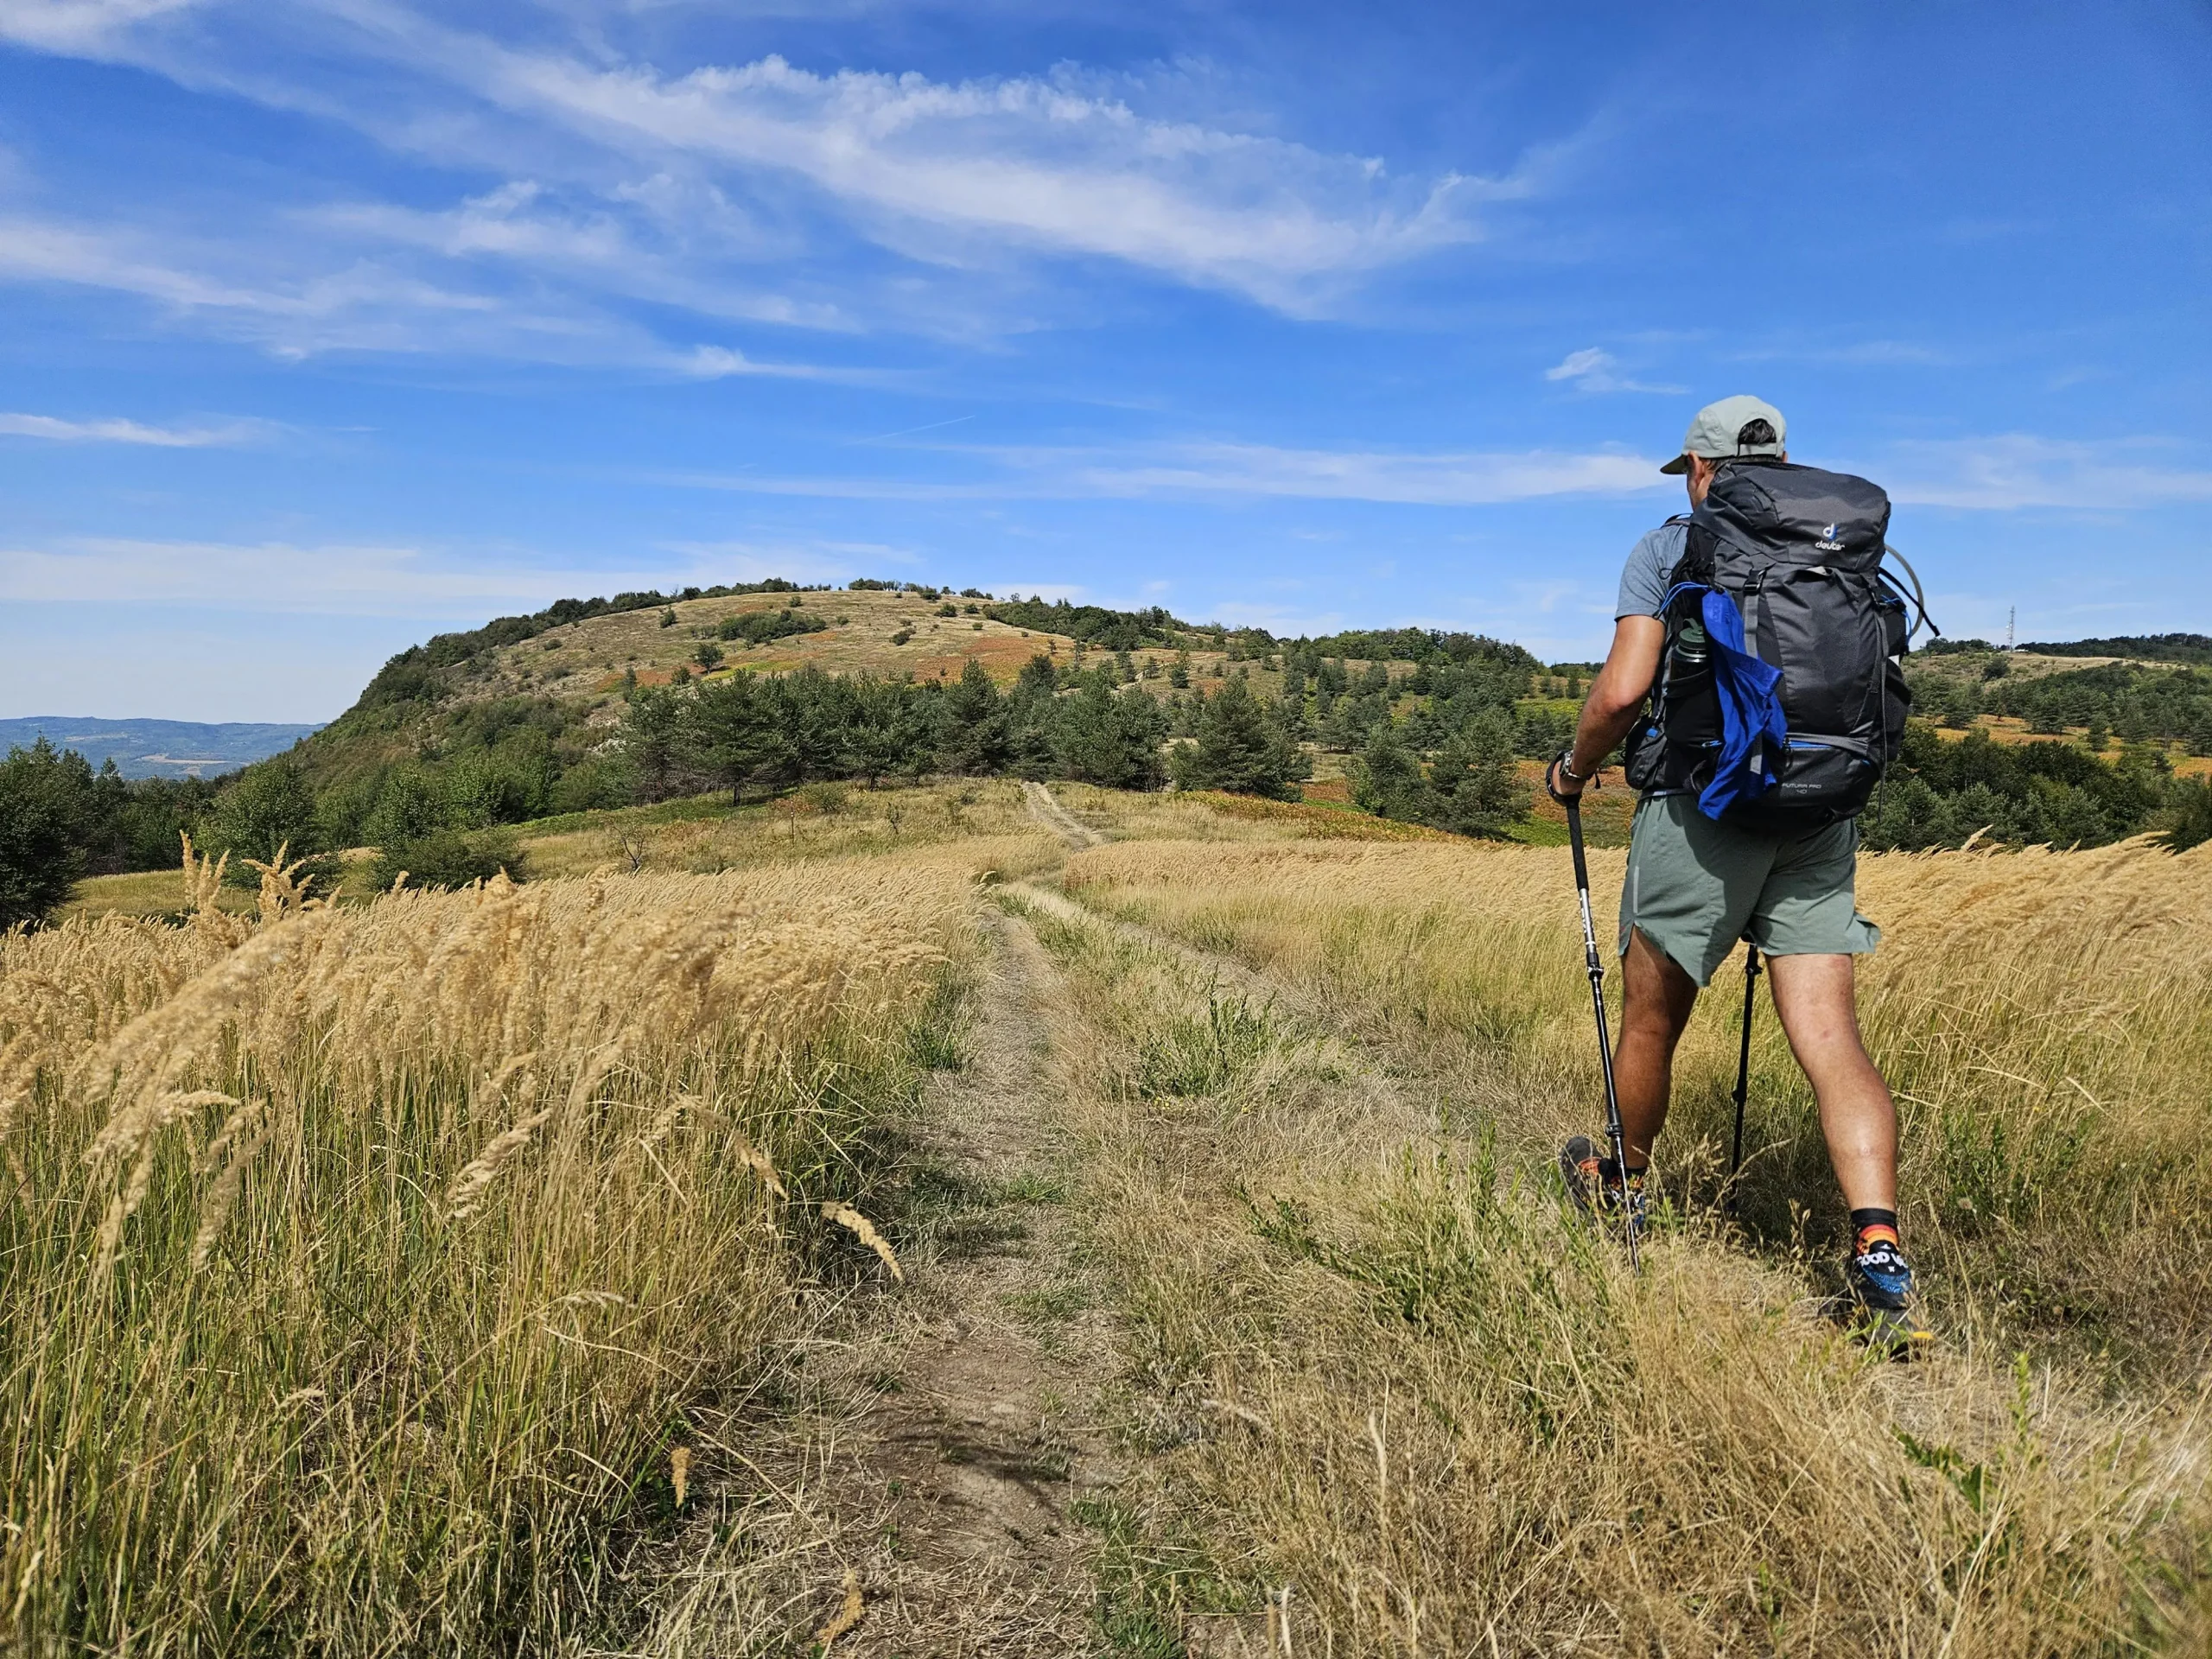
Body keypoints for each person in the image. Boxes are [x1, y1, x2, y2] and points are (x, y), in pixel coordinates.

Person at [1545, 395, 1930, 1353]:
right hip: (1820, 813)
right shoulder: (1840, 547)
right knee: (1832, 1036)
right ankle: (1878, 1250)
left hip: (1702, 806)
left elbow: (1624, 690)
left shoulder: (1672, 545)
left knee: (1650, 1018)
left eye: (1689, 470)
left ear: (1701, 467)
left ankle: (1622, 1187)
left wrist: (1573, 769)